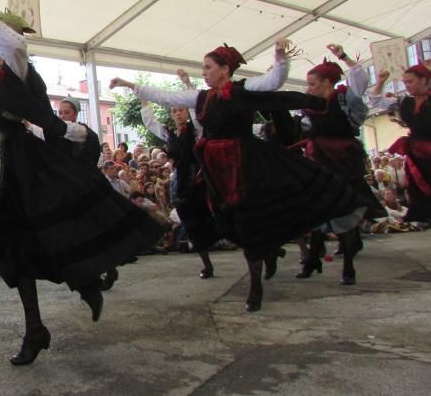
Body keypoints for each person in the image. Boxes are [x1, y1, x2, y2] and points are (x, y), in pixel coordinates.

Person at [0, 0, 161, 365]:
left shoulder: (16, 66)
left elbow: (14, 44)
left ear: (1, 36)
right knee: (12, 247)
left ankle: (84, 283)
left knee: (44, 233)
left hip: (19, 165)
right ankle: (36, 327)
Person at [112, 41, 365, 312]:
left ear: (224, 70)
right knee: (218, 215)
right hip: (215, 170)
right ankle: (265, 251)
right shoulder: (202, 97)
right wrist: (131, 85)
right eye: (204, 68)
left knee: (252, 216)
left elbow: (274, 82)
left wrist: (280, 59)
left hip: (247, 165)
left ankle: (257, 283)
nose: (205, 72)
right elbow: (166, 97)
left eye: (208, 67)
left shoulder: (244, 90)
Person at [295, 45, 384, 285]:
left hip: (344, 161)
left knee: (342, 208)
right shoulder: (309, 106)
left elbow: (361, 79)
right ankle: (314, 258)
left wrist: (343, 57)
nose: (308, 88)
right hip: (318, 161)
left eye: (312, 84)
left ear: (326, 83)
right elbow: (302, 128)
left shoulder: (346, 98)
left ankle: (347, 266)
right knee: (316, 210)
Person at [139, 69, 221, 280]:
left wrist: (186, 83)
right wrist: (143, 99)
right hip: (182, 184)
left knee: (217, 218)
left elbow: (197, 106)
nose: (177, 113)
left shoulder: (196, 131)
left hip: (202, 181)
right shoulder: (168, 134)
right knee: (191, 223)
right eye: (174, 110)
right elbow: (151, 123)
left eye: (181, 110)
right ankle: (207, 265)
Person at [370, 63, 431, 223]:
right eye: (404, 82)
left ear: (424, 80)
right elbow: (376, 102)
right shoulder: (405, 102)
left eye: (410, 81)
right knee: (416, 186)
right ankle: (421, 216)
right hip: (416, 153)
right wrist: (381, 82)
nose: (406, 85)